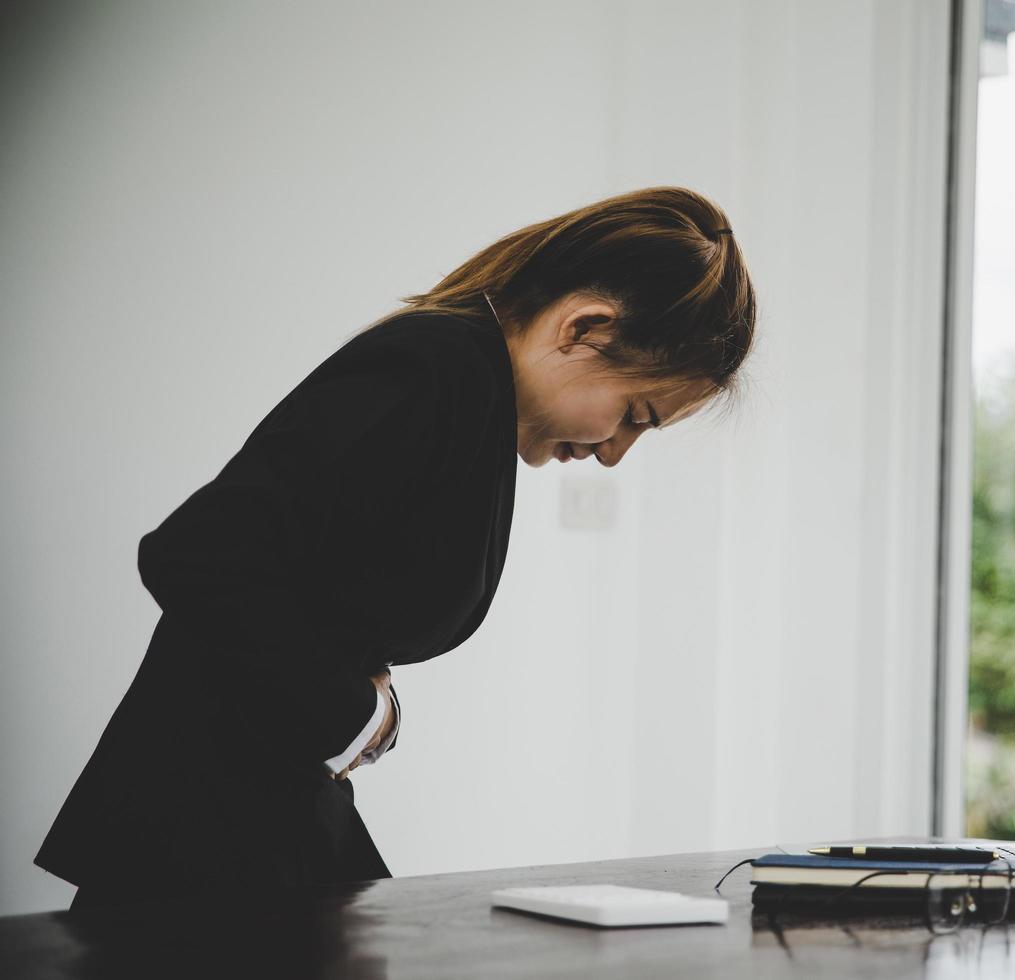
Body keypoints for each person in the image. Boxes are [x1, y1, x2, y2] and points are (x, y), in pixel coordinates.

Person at [36, 186, 757, 909]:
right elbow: (202, 553)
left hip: (254, 831)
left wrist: (366, 718)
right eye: (633, 414)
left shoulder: (467, 387)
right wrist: (358, 718)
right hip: (196, 852)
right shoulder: (434, 371)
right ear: (582, 327)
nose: (614, 455)